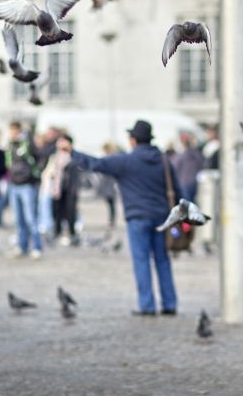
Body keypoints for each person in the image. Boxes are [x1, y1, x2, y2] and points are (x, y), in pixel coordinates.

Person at [70, 120, 180, 316]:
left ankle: (147, 305)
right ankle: (169, 304)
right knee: (163, 260)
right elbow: (177, 191)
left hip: (137, 218)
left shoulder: (126, 161)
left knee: (142, 260)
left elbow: (96, 163)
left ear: (133, 140)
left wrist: (72, 152)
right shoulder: (163, 160)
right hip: (162, 217)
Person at [6, 121, 44, 259]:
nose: (11, 134)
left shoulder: (27, 143)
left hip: (27, 184)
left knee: (30, 218)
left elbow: (41, 157)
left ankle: (37, 247)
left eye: (13, 131)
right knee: (18, 219)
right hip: (14, 184)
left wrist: (34, 173)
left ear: (19, 131)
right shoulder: (10, 145)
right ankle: (22, 246)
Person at [51, 134, 81, 246]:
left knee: (70, 211)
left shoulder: (73, 156)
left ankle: (72, 232)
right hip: (58, 188)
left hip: (70, 188)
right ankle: (57, 230)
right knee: (57, 211)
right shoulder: (55, 156)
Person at [171, 134, 204, 202]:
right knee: (193, 202)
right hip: (194, 181)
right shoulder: (196, 153)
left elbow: (174, 167)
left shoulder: (181, 154)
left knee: (186, 203)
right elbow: (201, 164)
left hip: (183, 182)